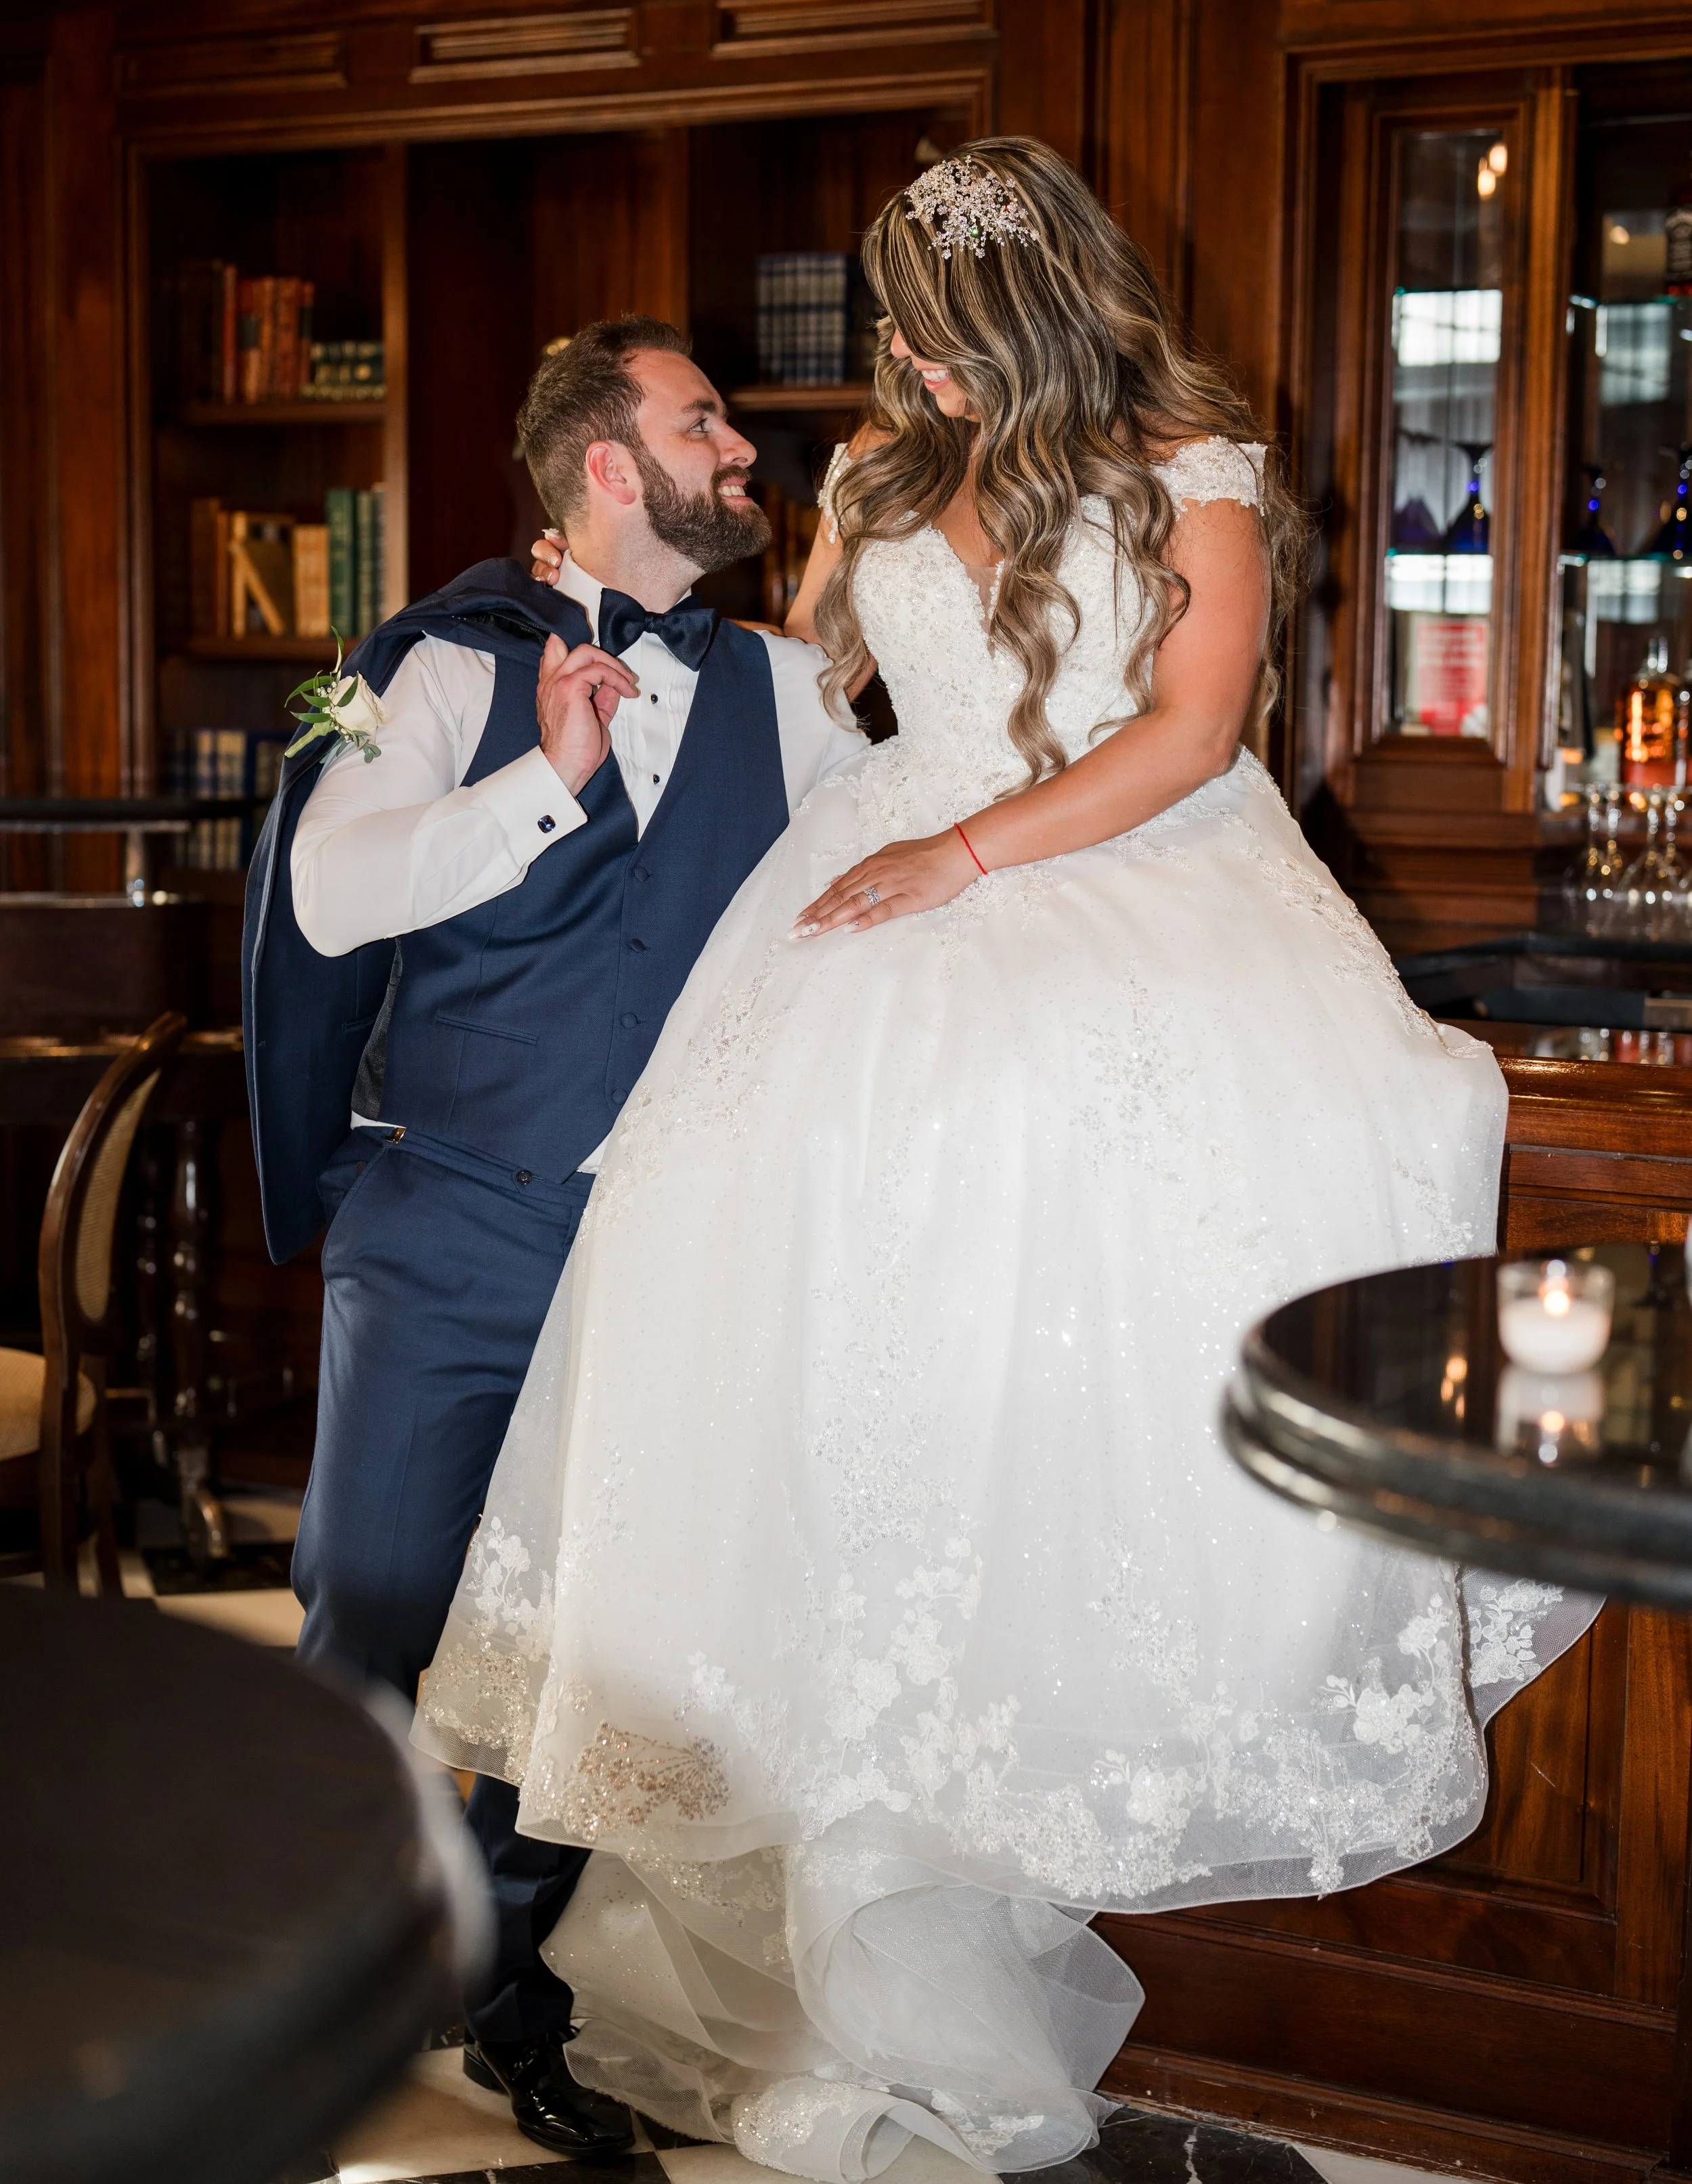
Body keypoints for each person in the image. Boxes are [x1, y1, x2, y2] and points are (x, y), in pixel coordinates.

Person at [414, 141, 1595, 2183]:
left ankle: (1048, 1775)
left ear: (1015, 309)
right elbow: (817, 686)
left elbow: (1192, 729)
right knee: (786, 1319)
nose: (893, 358)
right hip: (867, 891)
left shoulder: (1188, 456)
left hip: (1115, 864)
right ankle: (849, 1846)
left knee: (1099, 1258)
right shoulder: (884, 465)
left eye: (919, 322)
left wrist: (960, 850)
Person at [240, 317, 865, 2156]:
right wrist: (546, 782)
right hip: (453, 1226)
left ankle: (509, 1991)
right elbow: (332, 889)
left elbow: (868, 904)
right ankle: (289, 1977)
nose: (741, 447)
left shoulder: (788, 690)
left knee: (582, 1654)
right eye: (706, 424)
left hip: (675, 1257)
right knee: (376, 1606)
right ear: (611, 466)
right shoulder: (431, 660)